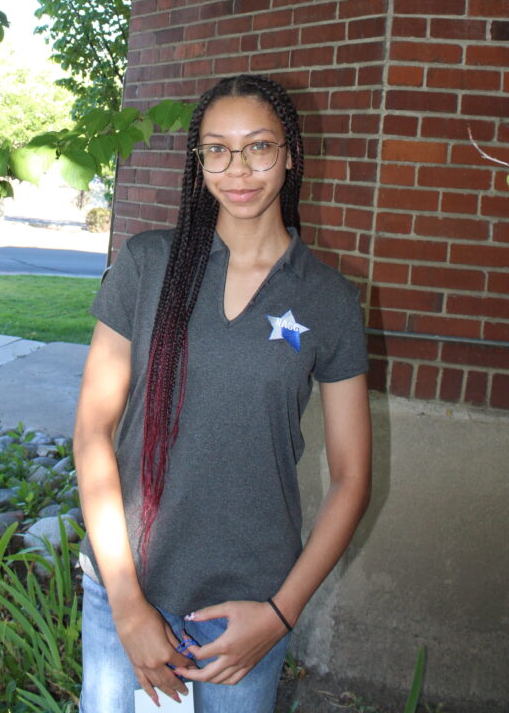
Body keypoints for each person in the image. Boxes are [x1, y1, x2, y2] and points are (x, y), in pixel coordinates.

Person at [73, 73, 371, 713]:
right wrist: (127, 606)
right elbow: (93, 433)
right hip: (126, 588)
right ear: (198, 160)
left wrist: (281, 613)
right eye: (217, 149)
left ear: (290, 154)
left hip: (249, 609)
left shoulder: (329, 300)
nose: (238, 169)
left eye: (258, 146)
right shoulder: (147, 265)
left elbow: (351, 479)